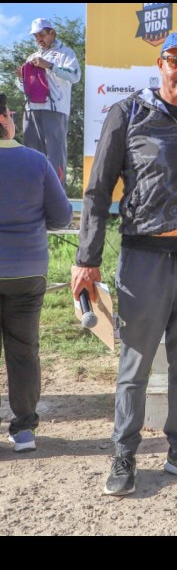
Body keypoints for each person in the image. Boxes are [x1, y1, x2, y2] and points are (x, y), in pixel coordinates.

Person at [71, 31, 177, 496]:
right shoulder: (128, 112)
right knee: (136, 362)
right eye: (176, 61)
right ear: (161, 64)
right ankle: (124, 453)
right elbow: (98, 190)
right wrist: (86, 259)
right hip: (143, 258)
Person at [0, 92, 73, 453]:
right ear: (3, 119)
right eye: (11, 114)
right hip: (26, 273)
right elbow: (61, 217)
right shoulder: (37, 161)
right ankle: (24, 430)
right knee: (24, 349)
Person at [15, 18, 81, 191]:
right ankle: (33, 195)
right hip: (31, 111)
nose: (39, 39)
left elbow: (75, 75)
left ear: (52, 33)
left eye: (41, 35)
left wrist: (50, 66)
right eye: (35, 36)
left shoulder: (66, 53)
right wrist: (21, 79)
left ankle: (57, 197)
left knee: (55, 156)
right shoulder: (32, 57)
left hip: (55, 110)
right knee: (31, 156)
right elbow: (24, 87)